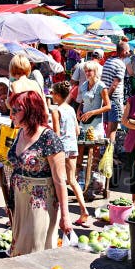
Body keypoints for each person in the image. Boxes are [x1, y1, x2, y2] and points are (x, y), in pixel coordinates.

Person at [7, 91, 72, 256]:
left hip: (40, 203)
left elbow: (59, 180)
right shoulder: (20, 132)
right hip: (19, 201)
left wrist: (65, 216)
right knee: (19, 248)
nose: (11, 114)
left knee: (35, 250)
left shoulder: (49, 138)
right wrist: (10, 201)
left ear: (30, 111)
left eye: (16, 110)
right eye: (11, 109)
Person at [49, 82, 90, 226]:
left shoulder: (56, 111)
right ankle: (84, 210)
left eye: (53, 93)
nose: (51, 95)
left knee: (58, 181)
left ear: (58, 95)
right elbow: (77, 131)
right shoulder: (71, 110)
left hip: (61, 148)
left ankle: (60, 215)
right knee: (72, 180)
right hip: (72, 146)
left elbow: (56, 134)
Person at [76, 60, 110, 192]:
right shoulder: (84, 85)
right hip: (83, 121)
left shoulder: (101, 86)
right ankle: (79, 180)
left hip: (95, 123)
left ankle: (92, 181)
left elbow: (108, 106)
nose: (87, 73)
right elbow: (82, 101)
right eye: (86, 70)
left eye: (89, 70)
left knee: (94, 151)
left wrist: (92, 112)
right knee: (79, 148)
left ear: (95, 72)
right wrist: (79, 110)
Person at [101, 41, 129, 146]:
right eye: (128, 51)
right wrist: (107, 99)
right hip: (114, 99)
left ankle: (105, 152)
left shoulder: (108, 61)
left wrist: (105, 99)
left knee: (107, 128)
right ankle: (109, 155)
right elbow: (114, 85)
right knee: (112, 130)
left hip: (106, 98)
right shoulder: (121, 65)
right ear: (124, 52)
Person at [120, 89, 135, 203]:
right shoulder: (132, 100)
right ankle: (134, 202)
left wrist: (133, 121)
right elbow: (124, 121)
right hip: (133, 143)